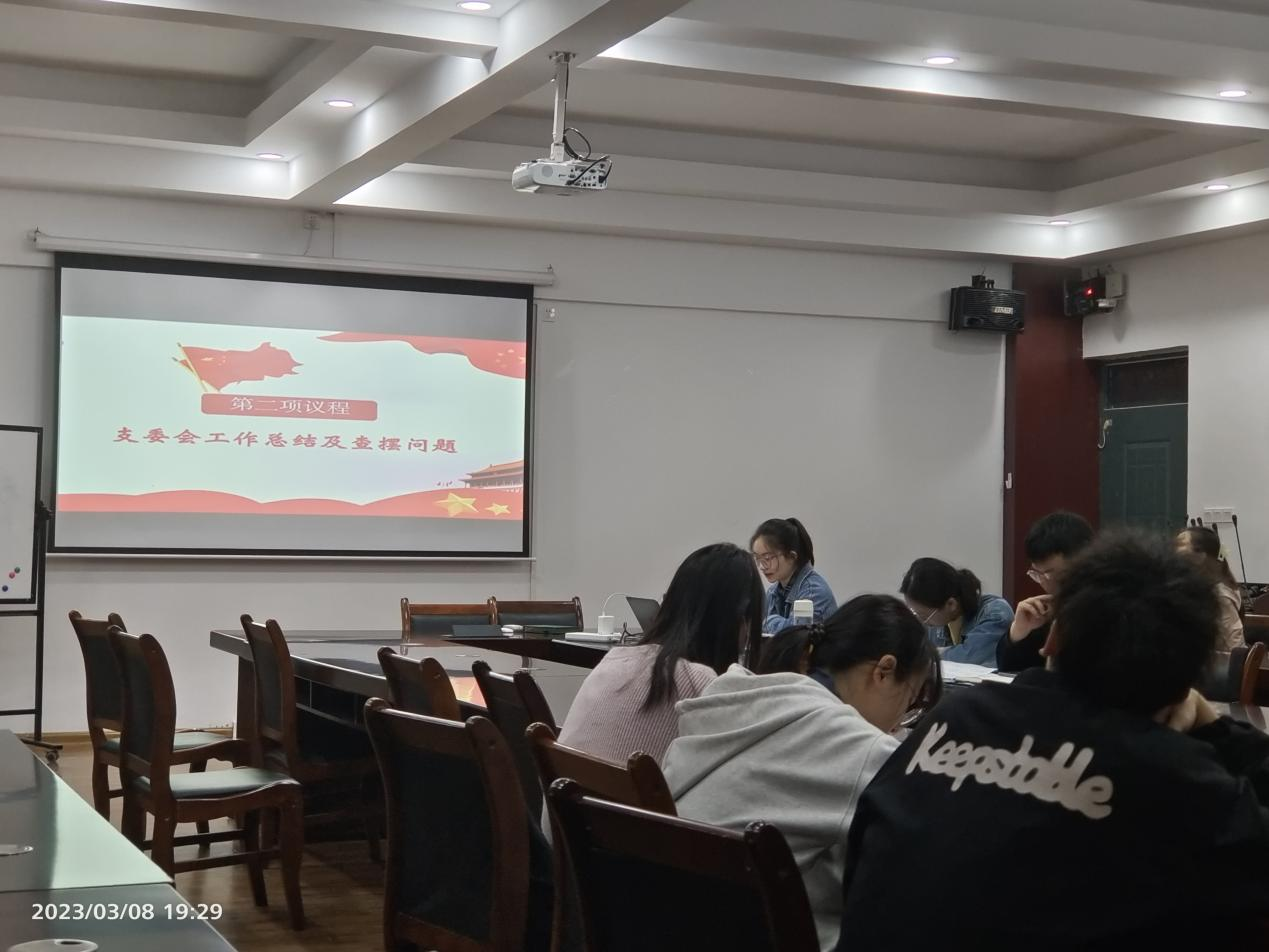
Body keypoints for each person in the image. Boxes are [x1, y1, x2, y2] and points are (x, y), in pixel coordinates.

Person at [836, 532, 1269, 952]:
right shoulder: (1186, 786)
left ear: (1054, 638)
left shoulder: (954, 717)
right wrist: (1214, 727)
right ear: (1189, 678)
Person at [662, 596, 940, 952]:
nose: (901, 721)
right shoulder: (862, 749)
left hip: (669, 920)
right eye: (911, 700)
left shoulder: (730, 695)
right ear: (883, 671)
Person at [555, 542, 764, 765]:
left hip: (566, 785)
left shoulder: (614, 658)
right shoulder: (702, 686)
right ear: (738, 618)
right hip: (627, 789)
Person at [998, 511, 1094, 672]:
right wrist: (1018, 633)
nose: (1045, 584)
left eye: (1053, 574)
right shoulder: (1045, 613)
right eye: (1037, 574)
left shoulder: (1113, 607)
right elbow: (1009, 670)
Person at [899, 558, 1012, 665]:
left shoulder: (995, 613)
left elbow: (970, 657)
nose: (920, 620)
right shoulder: (936, 617)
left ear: (951, 604)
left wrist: (928, 654)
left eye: (923, 616)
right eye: (914, 612)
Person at [750, 517, 838, 634]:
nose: (762, 566)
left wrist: (769, 622)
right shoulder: (772, 592)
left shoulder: (812, 591)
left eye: (767, 558)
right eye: (757, 558)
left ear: (792, 557)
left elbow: (797, 635)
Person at [1176, 526, 1245, 650]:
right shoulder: (1197, 586)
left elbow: (1233, 644)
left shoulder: (1220, 595)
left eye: (1180, 544)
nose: (1173, 548)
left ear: (1202, 555)